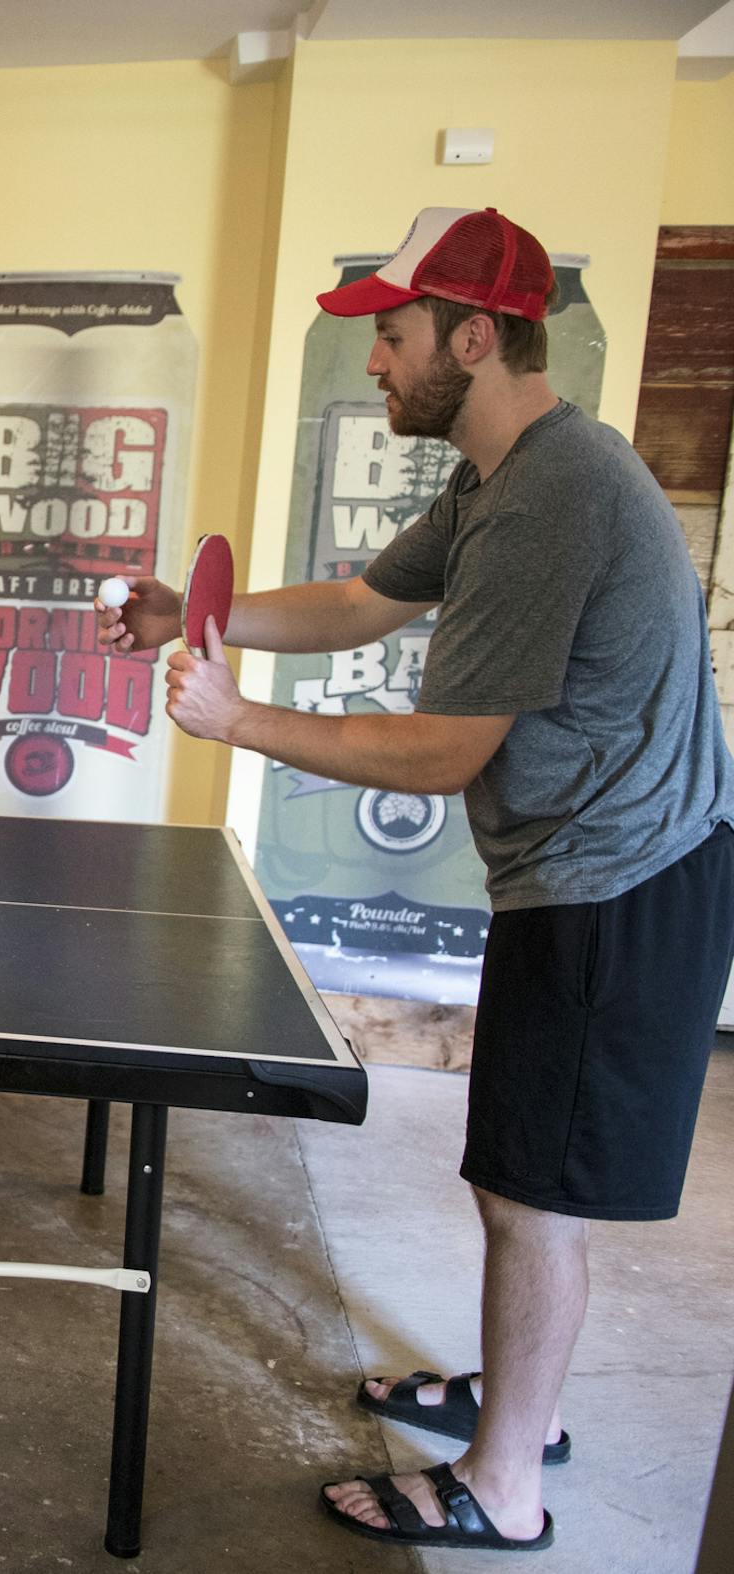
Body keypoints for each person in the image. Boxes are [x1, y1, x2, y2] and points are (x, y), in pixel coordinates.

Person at [98, 206, 734, 1553]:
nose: (376, 361)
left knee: (532, 1195)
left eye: (392, 336)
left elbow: (445, 752)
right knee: (521, 1178)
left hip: (620, 888)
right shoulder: (499, 477)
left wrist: (239, 719)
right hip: (589, 872)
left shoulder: (551, 497)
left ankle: (504, 1482)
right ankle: (514, 1397)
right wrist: (190, 619)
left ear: (476, 336)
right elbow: (362, 605)